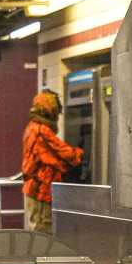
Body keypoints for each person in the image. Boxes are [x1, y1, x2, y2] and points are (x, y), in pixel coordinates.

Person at [20, 89, 84, 234]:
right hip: (41, 191)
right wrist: (82, 153)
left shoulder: (32, 127)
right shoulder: (41, 131)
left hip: (36, 189)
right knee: (44, 231)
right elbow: (62, 154)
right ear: (49, 110)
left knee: (39, 230)